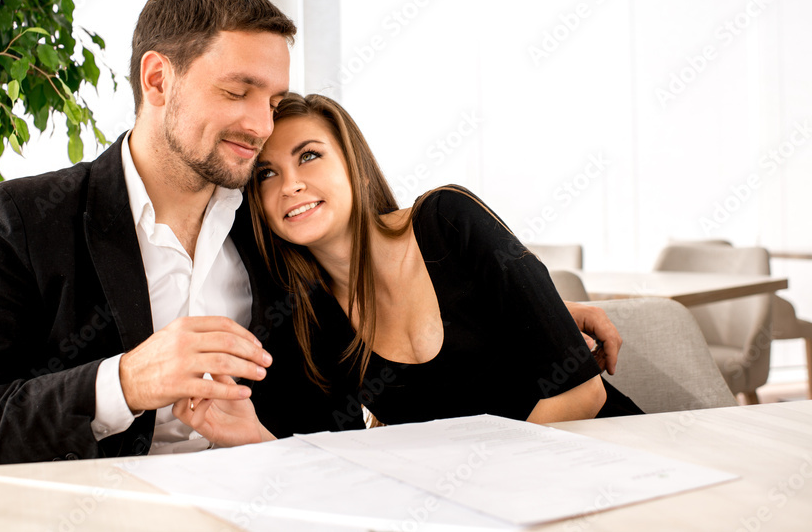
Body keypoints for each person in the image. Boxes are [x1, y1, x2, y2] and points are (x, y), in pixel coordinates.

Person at [0, 0, 625, 467]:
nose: (261, 124)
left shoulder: (278, 233)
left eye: (274, 97)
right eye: (238, 90)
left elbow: (355, 386)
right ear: (158, 80)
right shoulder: (27, 220)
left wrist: (530, 313)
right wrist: (123, 380)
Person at [174, 94, 638, 446]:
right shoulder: (310, 319)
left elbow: (582, 395)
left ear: (351, 162)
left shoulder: (447, 221)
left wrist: (488, 485)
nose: (291, 185)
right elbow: (327, 464)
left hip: (603, 455)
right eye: (266, 173)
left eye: (309, 155)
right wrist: (253, 438)